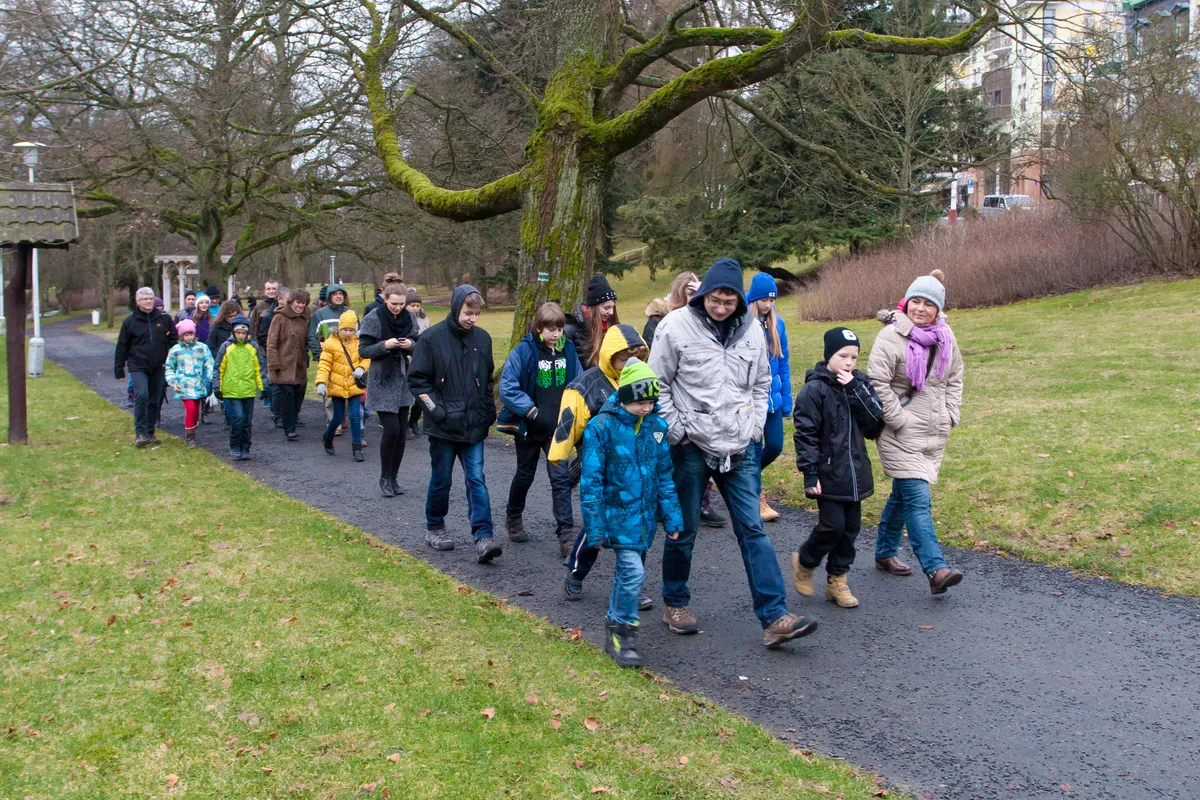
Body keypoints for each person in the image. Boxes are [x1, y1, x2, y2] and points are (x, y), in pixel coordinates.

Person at [649, 257, 817, 648]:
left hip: (739, 444)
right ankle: (675, 602)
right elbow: (656, 385)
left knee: (753, 529)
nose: (721, 308)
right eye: (715, 300)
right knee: (683, 529)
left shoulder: (752, 332)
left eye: (729, 301)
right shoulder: (675, 327)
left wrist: (756, 426)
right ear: (704, 295)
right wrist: (678, 432)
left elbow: (762, 383)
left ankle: (775, 616)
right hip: (692, 445)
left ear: (739, 301)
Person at [580, 358, 684, 667]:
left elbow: (665, 476)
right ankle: (624, 633)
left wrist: (673, 517)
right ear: (624, 396)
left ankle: (613, 623)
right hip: (617, 516)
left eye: (652, 401)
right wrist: (595, 527)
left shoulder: (657, 428)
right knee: (633, 572)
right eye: (640, 401)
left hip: (644, 520)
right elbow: (591, 481)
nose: (647, 408)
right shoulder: (601, 428)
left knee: (629, 571)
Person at [868, 270, 966, 595]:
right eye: (916, 301)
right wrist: (898, 420)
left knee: (902, 494)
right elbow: (877, 383)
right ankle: (936, 569)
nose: (920, 309)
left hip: (934, 431)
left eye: (928, 304)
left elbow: (955, 376)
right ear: (906, 302)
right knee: (918, 499)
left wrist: (951, 412)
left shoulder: (945, 336)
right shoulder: (890, 337)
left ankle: (884, 553)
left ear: (938, 310)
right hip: (900, 431)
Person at [551, 324, 654, 611]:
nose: (629, 364)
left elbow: (652, 418)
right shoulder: (587, 385)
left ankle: (631, 583)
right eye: (623, 358)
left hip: (636, 472)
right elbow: (568, 422)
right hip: (602, 469)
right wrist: (559, 454)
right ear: (610, 356)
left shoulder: (640, 381)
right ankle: (576, 570)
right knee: (598, 530)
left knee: (636, 529)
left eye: (636, 357)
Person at [791, 328, 886, 608]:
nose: (848, 362)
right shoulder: (814, 389)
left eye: (854, 357)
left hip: (855, 472)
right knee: (832, 525)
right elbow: (805, 434)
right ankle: (805, 562)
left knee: (850, 529)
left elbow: (875, 424)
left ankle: (837, 581)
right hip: (827, 472)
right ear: (829, 356)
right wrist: (810, 472)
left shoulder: (859, 385)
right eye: (842, 355)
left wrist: (855, 389)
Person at [408, 285, 501, 562]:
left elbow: (486, 380)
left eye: (477, 314)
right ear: (456, 307)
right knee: (442, 479)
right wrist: (437, 412)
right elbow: (417, 382)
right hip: (443, 426)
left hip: (474, 425)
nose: (472, 318)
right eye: (468, 313)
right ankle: (435, 526)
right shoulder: (431, 339)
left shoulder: (482, 339)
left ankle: (484, 536)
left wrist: (488, 412)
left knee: (477, 480)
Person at [498, 301, 581, 544]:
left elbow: (576, 384)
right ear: (538, 328)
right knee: (525, 474)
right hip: (530, 427)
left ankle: (565, 535)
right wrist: (532, 412)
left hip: (558, 428)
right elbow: (508, 388)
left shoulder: (569, 351)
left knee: (560, 478)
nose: (555, 334)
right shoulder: (523, 351)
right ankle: (513, 517)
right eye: (550, 329)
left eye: (559, 329)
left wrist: (570, 415)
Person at [359, 281, 420, 496]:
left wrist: (409, 345)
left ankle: (394, 478)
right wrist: (385, 345)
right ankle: (384, 477)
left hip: (403, 378)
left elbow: (417, 341)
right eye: (394, 303)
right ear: (385, 299)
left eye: (401, 304)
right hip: (382, 379)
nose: (397, 307)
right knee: (392, 429)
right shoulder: (373, 318)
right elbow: (363, 350)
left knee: (402, 432)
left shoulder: (409, 317)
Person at [746, 273, 792, 523]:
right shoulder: (743, 323)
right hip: (752, 402)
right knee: (752, 452)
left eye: (772, 300)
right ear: (754, 299)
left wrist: (786, 400)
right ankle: (757, 496)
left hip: (773, 400)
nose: (767, 305)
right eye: (763, 299)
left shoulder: (778, 324)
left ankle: (745, 478)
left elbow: (783, 363)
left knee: (774, 446)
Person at [115, 287, 178, 447]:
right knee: (141, 395)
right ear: (138, 302)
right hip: (138, 366)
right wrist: (119, 369)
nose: (148, 301)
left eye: (150, 298)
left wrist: (169, 357)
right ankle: (140, 433)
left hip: (158, 365)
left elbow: (174, 339)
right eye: (145, 299)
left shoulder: (163, 319)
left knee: (155, 399)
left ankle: (150, 432)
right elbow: (122, 345)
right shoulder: (130, 321)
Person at [315, 310, 370, 462]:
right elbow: (324, 365)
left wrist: (361, 368)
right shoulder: (330, 343)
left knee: (355, 415)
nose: (348, 332)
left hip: (354, 385)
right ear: (339, 328)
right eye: (345, 329)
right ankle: (328, 436)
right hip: (337, 386)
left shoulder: (359, 343)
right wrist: (321, 382)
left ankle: (357, 447)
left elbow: (366, 359)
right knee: (337, 417)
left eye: (351, 330)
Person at [214, 315, 263, 460]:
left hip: (248, 389)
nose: (241, 335)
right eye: (238, 332)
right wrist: (218, 387)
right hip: (231, 390)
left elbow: (259, 368)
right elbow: (218, 368)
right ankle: (235, 445)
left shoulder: (253, 347)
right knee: (238, 418)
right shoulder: (226, 347)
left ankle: (245, 447)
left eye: (244, 333)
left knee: (247, 421)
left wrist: (264, 387)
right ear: (233, 333)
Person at [267, 288, 312, 441]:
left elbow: (309, 338)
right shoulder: (279, 318)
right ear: (291, 302)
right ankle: (289, 429)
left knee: (299, 394)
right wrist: (274, 363)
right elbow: (271, 343)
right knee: (287, 396)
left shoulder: (307, 317)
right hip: (283, 364)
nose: (300, 306)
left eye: (303, 303)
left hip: (299, 363)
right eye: (298, 302)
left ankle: (293, 420)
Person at [165, 318, 215, 449]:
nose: (189, 337)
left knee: (196, 410)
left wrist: (209, 376)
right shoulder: (175, 350)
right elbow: (169, 367)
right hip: (184, 385)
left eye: (191, 334)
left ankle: (193, 428)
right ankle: (190, 437)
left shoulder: (202, 348)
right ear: (181, 336)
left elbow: (209, 363)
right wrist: (173, 382)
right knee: (191, 408)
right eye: (186, 335)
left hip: (199, 383)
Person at [309, 282, 351, 428]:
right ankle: (334, 423)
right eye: (335, 294)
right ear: (329, 297)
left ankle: (342, 416)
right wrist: (318, 354)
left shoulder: (350, 312)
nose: (338, 297)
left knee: (347, 392)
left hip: (348, 360)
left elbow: (358, 335)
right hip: (329, 359)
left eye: (341, 294)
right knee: (330, 394)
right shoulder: (320, 314)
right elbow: (312, 336)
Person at [564, 275, 619, 368]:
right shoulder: (571, 330)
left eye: (612, 307)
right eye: (606, 308)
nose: (611, 312)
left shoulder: (613, 328)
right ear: (593, 308)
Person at [642, 271, 698, 349]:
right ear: (678, 294)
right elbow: (651, 353)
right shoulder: (657, 320)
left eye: (698, 293)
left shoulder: (699, 317)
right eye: (691, 294)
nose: (696, 298)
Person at [405, 288, 432, 439]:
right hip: (407, 359)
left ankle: (413, 421)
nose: (415, 308)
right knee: (406, 394)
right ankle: (403, 424)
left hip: (422, 359)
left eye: (417, 305)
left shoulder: (425, 320)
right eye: (412, 305)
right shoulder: (403, 319)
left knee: (420, 394)